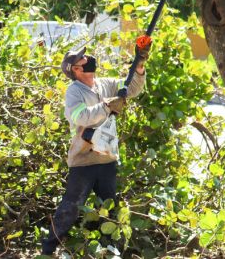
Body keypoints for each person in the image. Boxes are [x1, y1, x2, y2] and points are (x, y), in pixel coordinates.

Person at [41, 42, 151, 256]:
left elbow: (132, 88)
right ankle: (48, 249)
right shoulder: (74, 92)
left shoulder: (104, 84)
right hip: (84, 160)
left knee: (108, 207)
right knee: (71, 207)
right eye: (82, 59)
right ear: (76, 70)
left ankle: (108, 250)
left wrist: (139, 67)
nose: (88, 59)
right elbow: (80, 116)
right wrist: (107, 106)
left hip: (107, 159)